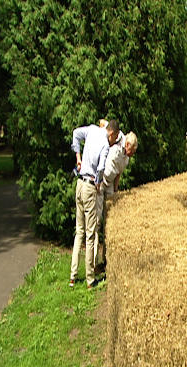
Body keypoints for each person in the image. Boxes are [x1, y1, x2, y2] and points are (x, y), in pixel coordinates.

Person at [69, 119, 120, 289]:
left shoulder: (91, 130)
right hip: (90, 187)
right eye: (114, 139)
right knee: (91, 236)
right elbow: (100, 169)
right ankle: (91, 280)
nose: (113, 143)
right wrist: (98, 183)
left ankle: (72, 276)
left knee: (79, 232)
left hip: (79, 184)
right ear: (111, 133)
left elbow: (76, 133)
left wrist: (78, 157)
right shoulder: (105, 145)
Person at [94, 131, 138, 266]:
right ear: (128, 145)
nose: (133, 153)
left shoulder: (127, 159)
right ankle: (93, 262)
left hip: (110, 184)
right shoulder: (118, 142)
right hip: (101, 181)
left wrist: (115, 191)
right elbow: (105, 126)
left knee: (109, 222)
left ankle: (106, 260)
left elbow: (118, 173)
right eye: (133, 150)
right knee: (97, 222)